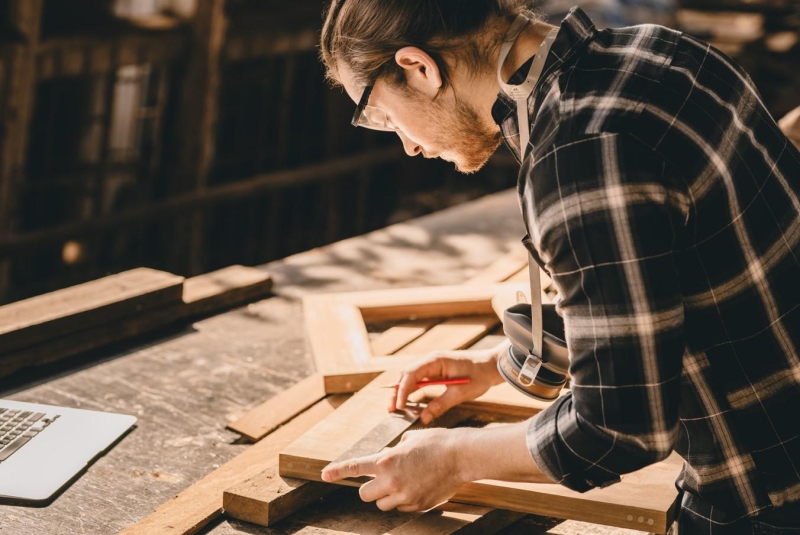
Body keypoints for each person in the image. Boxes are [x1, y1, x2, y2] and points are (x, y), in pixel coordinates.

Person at [317, 1, 800, 532]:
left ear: (420, 68)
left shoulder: (580, 153)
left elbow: (620, 427)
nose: (407, 145)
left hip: (771, 497)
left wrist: (453, 457)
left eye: (381, 114)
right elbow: (665, 273)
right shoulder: (658, 50)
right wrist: (503, 365)